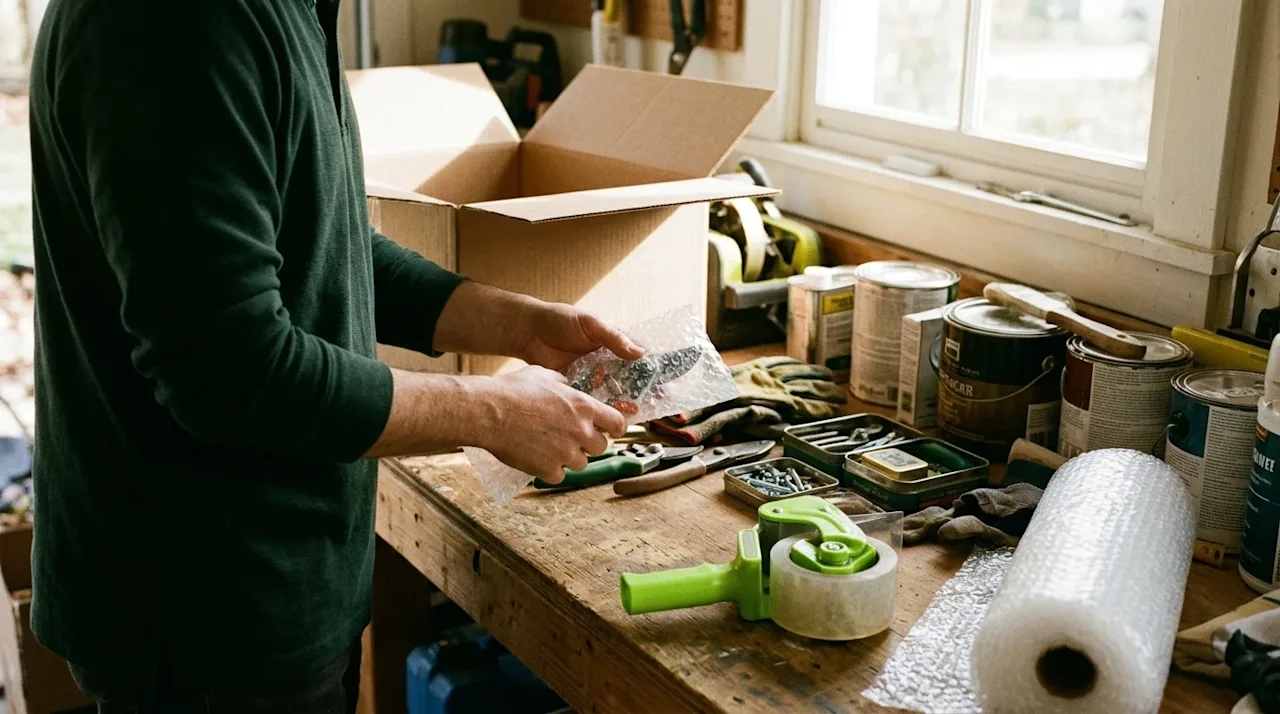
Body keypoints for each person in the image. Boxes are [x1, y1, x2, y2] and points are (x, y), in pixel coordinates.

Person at [26, 1, 639, 712]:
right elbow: (232, 369)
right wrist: (495, 410)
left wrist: (519, 325)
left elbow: (321, 243)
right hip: (203, 615)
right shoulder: (182, 25)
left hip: (271, 585)